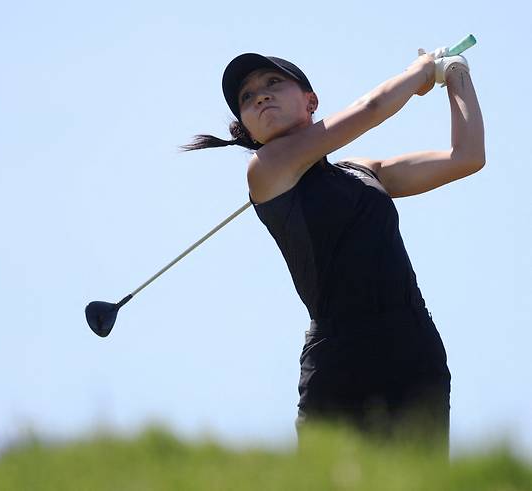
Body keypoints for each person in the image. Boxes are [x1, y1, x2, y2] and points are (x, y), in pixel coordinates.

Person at [181, 46, 485, 455]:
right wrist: (419, 71)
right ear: (249, 131)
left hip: (414, 345)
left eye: (273, 83)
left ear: (311, 102)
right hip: (341, 355)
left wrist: (456, 73)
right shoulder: (266, 169)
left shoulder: (362, 171)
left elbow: (465, 158)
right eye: (247, 98)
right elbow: (372, 107)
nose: (260, 97)